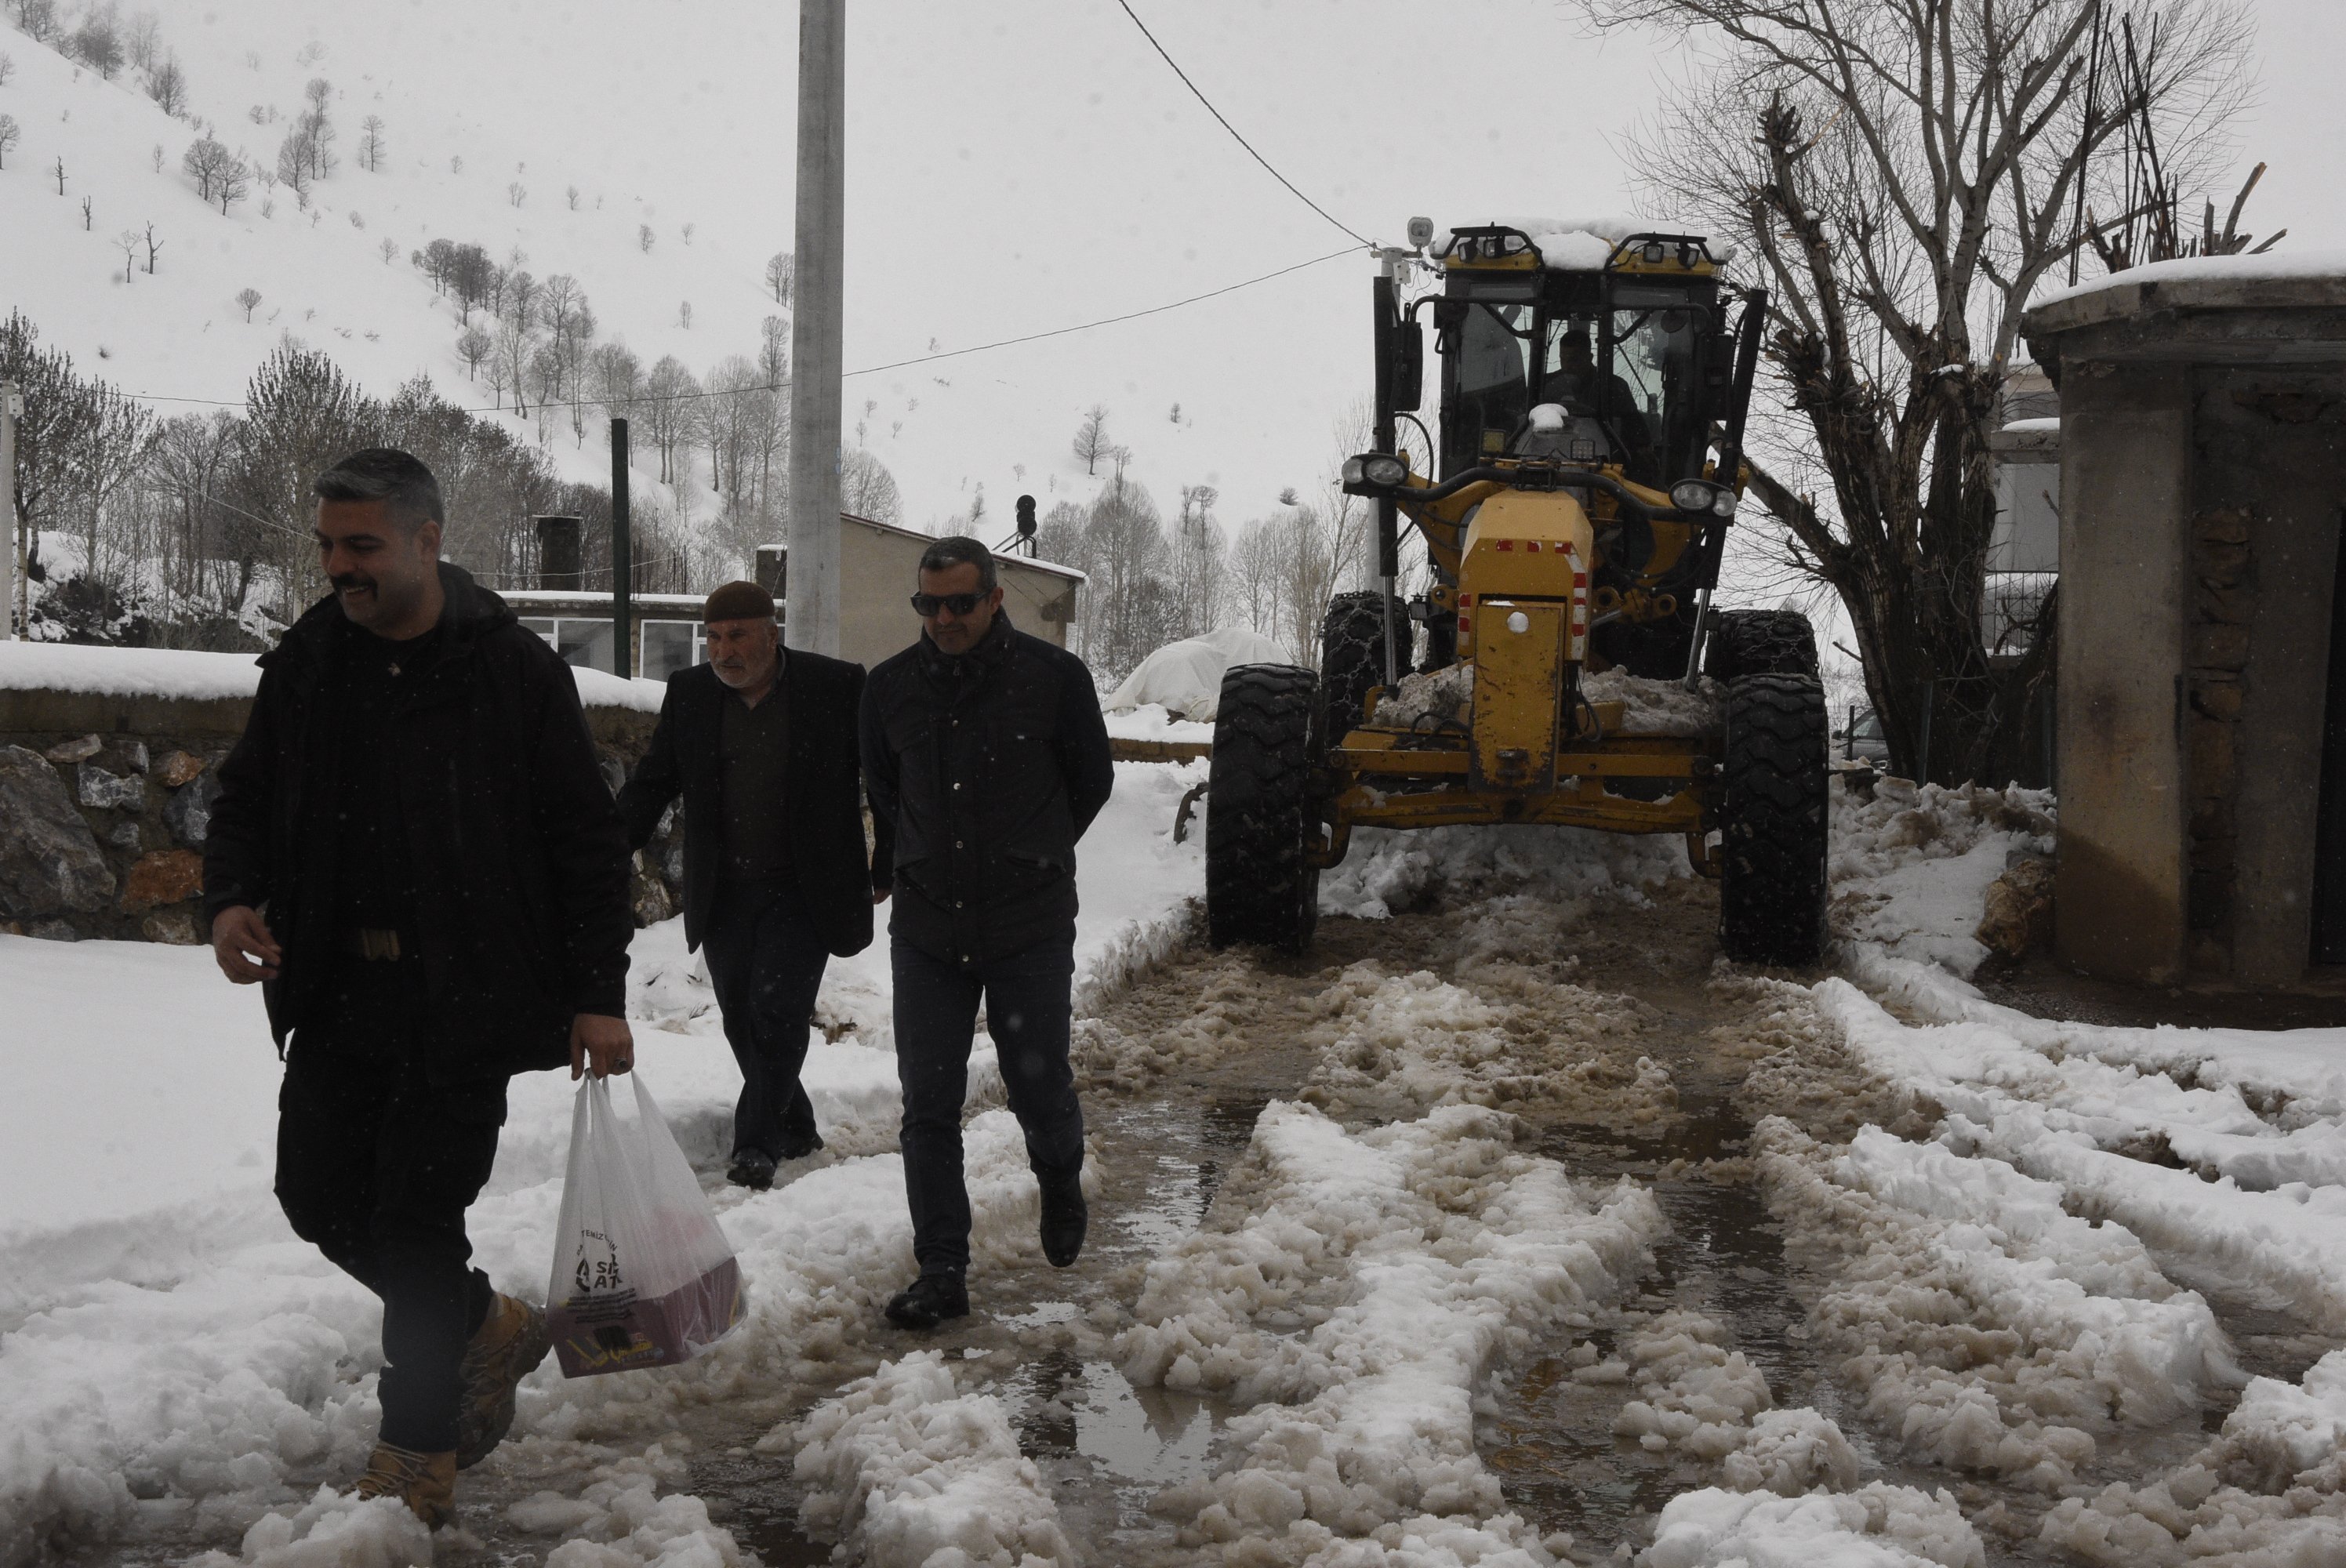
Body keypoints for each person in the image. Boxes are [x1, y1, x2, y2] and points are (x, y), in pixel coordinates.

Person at [204, 448, 637, 1530]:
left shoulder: (509, 672)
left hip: (469, 996)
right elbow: (246, 798)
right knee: (316, 1198)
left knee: (413, 1220)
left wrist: (600, 992)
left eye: (362, 546)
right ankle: (485, 1325)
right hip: (339, 988)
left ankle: (416, 1454)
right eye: (327, 546)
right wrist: (229, 898)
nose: (339, 567)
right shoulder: (310, 660)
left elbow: (586, 845)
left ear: (427, 541)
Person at [860, 536, 1114, 1330]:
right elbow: (887, 792)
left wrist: (1032, 852)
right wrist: (920, 862)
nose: (943, 618)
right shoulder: (889, 690)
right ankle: (942, 1267)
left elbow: (1091, 780)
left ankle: (1059, 1171)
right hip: (929, 925)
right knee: (927, 1104)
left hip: (1026, 924)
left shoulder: (1054, 681)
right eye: (929, 605)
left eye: (960, 603)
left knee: (1036, 1081)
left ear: (995, 597)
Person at [616, 580, 887, 1189]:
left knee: (777, 1010)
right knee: (741, 1018)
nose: (722, 651)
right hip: (726, 888)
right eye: (713, 638)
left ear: (771, 633)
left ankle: (756, 1144)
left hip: (805, 886)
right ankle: (795, 1122)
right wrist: (609, 846)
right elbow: (654, 781)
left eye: (737, 636)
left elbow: (883, 774)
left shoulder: (836, 687)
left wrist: (890, 854)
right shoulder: (689, 695)